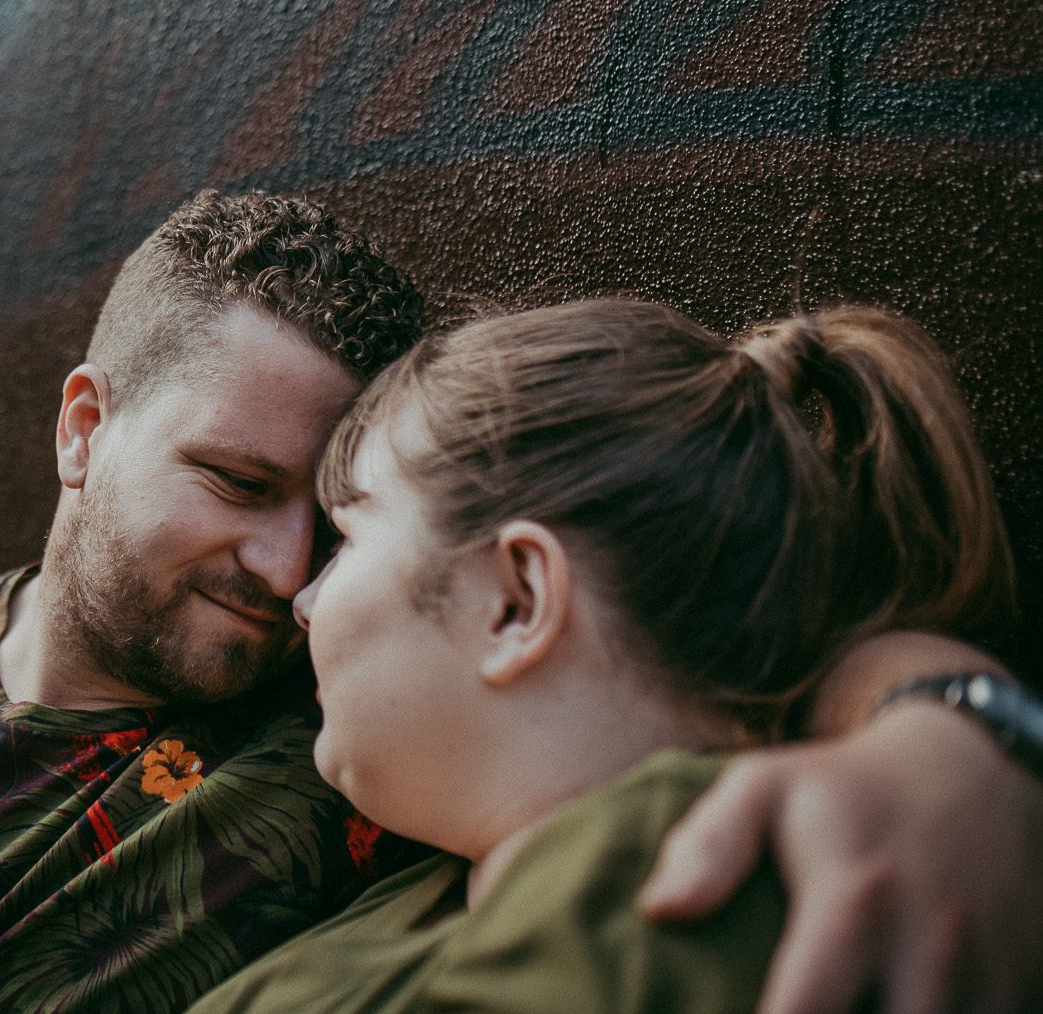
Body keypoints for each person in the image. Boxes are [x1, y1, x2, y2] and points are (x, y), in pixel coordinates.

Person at [0, 192, 1043, 1014]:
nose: (290, 576)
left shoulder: (361, 738)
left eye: (335, 520)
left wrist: (958, 738)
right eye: (236, 481)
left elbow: (700, 642)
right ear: (81, 430)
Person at [189, 299, 1040, 1014]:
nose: (299, 600)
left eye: (345, 538)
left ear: (516, 601)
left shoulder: (671, 901)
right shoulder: (445, 878)